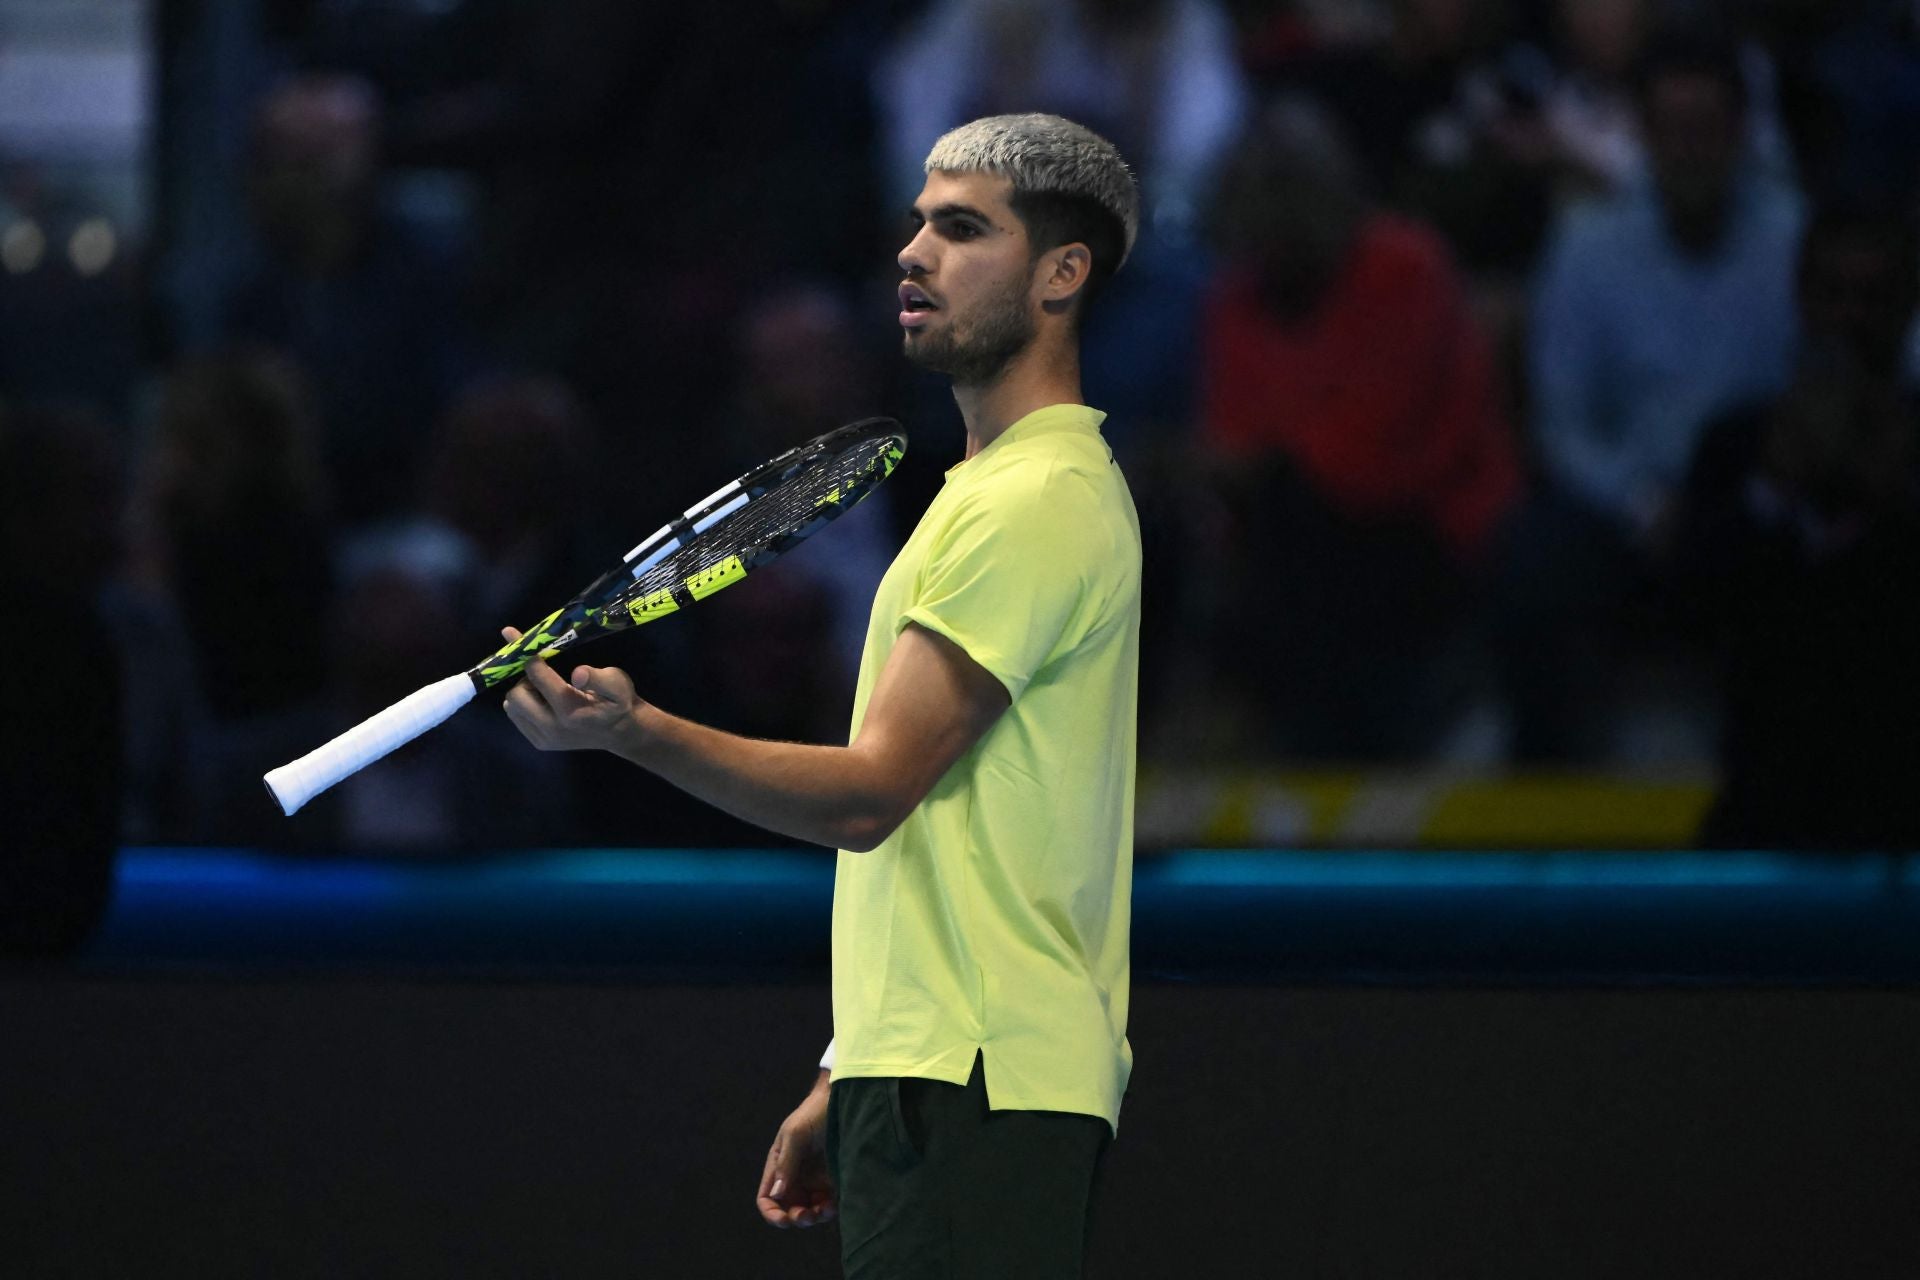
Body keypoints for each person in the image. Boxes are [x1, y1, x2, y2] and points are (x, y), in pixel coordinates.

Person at [500, 114, 1142, 1274]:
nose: (914, 252)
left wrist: (635, 731)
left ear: (1062, 273)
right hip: (935, 1064)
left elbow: (870, 795)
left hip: (978, 1075)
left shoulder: (1032, 500)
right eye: (918, 223)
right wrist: (851, 1061)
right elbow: (957, 831)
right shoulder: (988, 492)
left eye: (963, 229)